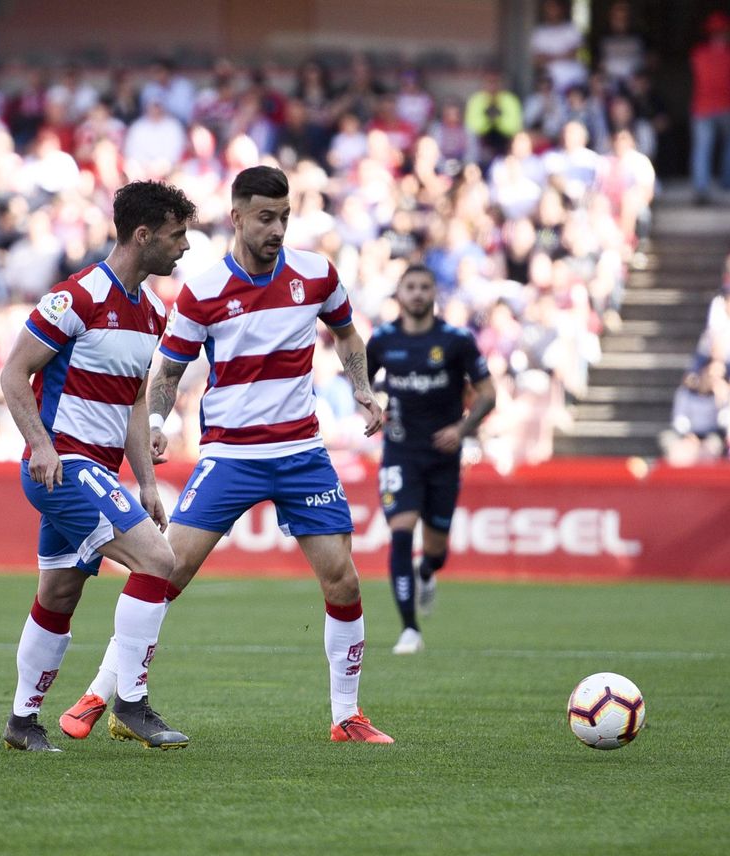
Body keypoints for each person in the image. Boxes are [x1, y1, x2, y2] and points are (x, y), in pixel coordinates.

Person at [131, 165, 396, 743]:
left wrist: (362, 386)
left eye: (284, 217)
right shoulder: (201, 290)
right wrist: (155, 421)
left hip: (302, 452)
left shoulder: (317, 275)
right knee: (164, 572)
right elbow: (169, 370)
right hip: (230, 454)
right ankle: (111, 692)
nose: (277, 229)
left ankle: (346, 716)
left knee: (344, 582)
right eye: (265, 218)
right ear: (237, 218)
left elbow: (348, 334)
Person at [0, 180, 194, 753]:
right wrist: (39, 446)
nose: (183, 247)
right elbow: (14, 374)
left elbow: (134, 401)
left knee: (58, 594)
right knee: (159, 559)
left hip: (101, 474)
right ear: (143, 234)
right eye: (176, 234)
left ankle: (21, 721)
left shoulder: (151, 311)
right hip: (64, 466)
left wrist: (149, 483)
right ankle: (131, 702)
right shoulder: (76, 297)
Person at [366, 265, 494, 655]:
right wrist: (371, 406)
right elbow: (360, 382)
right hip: (400, 451)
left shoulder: (456, 340)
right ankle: (409, 629)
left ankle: (427, 571)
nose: (418, 293)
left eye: (424, 287)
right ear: (400, 294)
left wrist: (462, 427)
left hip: (444, 455)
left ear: (434, 293)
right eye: (411, 287)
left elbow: (488, 393)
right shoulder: (383, 340)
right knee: (401, 531)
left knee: (436, 550)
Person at [691, 12, 730, 203]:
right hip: (728, 106)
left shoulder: (698, 54)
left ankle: (701, 188)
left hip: (703, 108)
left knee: (702, 149)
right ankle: (728, 181)